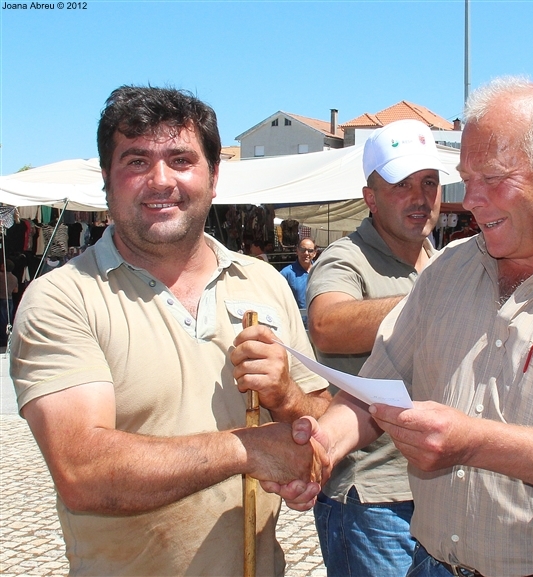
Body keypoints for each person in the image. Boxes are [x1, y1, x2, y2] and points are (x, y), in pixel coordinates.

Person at [273, 78, 533, 577]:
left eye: (492, 177)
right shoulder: (446, 270)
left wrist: (472, 442)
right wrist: (322, 448)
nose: (470, 199)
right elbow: (373, 392)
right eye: (467, 179)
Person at [10, 85, 330, 577]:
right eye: (137, 162)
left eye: (181, 159)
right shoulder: (63, 298)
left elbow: (318, 421)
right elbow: (83, 471)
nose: (161, 180)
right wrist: (249, 450)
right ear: (106, 180)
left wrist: (288, 398)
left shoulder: (264, 282)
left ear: (214, 176)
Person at [304, 118, 445, 576]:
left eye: (429, 183)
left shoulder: (442, 264)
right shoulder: (346, 257)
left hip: (438, 490)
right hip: (373, 498)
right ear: (371, 197)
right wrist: (432, 304)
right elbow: (327, 323)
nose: (420, 198)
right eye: (401, 184)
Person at [280, 237, 316, 311]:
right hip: (297, 320)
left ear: (314, 253)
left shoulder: (320, 270)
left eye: (310, 251)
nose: (306, 253)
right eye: (303, 250)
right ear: (297, 251)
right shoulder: (286, 273)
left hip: (317, 318)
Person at [0, 259, 19, 346]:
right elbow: (16, 290)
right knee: (9, 319)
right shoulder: (14, 278)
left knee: (2, 320)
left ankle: (4, 339)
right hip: (10, 300)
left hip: (1, 299)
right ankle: (9, 338)